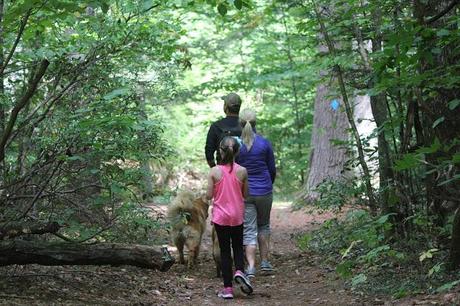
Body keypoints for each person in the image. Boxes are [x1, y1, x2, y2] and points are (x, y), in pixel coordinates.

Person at [206, 136, 253, 299]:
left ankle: (227, 289)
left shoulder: (214, 172)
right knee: (238, 247)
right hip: (237, 216)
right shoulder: (243, 171)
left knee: (225, 251)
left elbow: (208, 195)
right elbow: (246, 194)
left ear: (220, 151)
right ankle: (240, 271)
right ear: (237, 151)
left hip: (221, 218)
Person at [237, 108, 276, 278]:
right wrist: (268, 185)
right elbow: (272, 169)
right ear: (255, 123)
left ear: (240, 124)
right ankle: (265, 262)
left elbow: (234, 171)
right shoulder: (264, 143)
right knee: (264, 225)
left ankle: (251, 268)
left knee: (249, 229)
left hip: (245, 192)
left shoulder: (236, 145)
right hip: (264, 190)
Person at [205, 93, 242, 168]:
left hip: (222, 171)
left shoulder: (216, 126)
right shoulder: (247, 126)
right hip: (243, 173)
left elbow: (209, 152)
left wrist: (215, 168)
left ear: (225, 107)